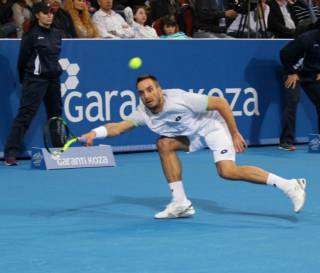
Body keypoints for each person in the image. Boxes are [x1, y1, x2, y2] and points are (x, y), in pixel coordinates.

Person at [81, 75, 307, 219]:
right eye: (141, 92)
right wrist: (95, 133)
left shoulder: (179, 98)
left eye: (150, 89)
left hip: (212, 128)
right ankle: (180, 203)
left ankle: (290, 185)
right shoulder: (143, 112)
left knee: (227, 172)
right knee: (164, 144)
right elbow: (118, 127)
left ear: (160, 90)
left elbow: (220, 103)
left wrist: (234, 132)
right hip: (193, 137)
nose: (146, 95)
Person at [3, 2, 63, 166]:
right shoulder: (31, 36)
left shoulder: (57, 33)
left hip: (53, 80)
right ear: (37, 15)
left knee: (56, 116)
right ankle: (10, 153)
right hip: (35, 80)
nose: (49, 15)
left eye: (51, 13)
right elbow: (22, 61)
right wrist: (27, 81)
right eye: (45, 13)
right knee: (25, 116)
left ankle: (60, 150)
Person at [278, 14, 320, 151]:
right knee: (293, 101)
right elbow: (284, 54)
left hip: (311, 75)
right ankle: (285, 142)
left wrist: (319, 72)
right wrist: (292, 72)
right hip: (293, 73)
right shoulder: (306, 39)